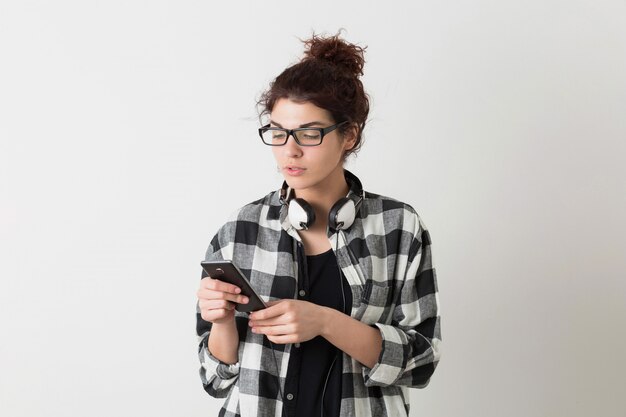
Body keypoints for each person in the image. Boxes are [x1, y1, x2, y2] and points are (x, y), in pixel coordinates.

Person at [196, 32, 441, 417]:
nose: (289, 150)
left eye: (309, 134)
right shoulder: (239, 229)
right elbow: (215, 379)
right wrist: (222, 321)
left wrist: (325, 322)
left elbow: (421, 361)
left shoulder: (398, 226)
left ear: (349, 135)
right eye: (277, 133)